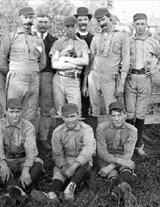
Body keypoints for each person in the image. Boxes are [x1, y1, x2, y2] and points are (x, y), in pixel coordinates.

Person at [31, 103, 95, 206]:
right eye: (67, 117)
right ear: (62, 117)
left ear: (78, 115)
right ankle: (52, 194)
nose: (70, 120)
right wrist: (63, 166)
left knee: (85, 162)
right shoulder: (57, 132)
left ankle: (70, 190)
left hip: (81, 162)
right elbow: (57, 154)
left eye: (73, 116)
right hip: (66, 160)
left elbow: (88, 150)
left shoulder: (87, 129)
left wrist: (73, 167)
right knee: (58, 171)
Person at [0, 7, 46, 126]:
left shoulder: (38, 39)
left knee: (30, 113)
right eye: (25, 17)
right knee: (12, 111)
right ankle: (10, 143)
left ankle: (26, 142)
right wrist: (14, 71)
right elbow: (0, 62)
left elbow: (43, 62)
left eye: (31, 17)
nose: (28, 20)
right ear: (19, 19)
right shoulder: (11, 37)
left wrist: (32, 70)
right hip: (16, 79)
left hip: (33, 79)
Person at [83, 8, 130, 129]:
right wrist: (86, 83)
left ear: (110, 18)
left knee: (112, 108)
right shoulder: (96, 37)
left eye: (103, 19)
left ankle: (111, 139)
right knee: (94, 108)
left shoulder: (122, 36)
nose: (101, 23)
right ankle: (95, 140)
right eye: (98, 21)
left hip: (110, 79)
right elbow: (90, 60)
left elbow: (126, 61)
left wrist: (121, 84)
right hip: (94, 77)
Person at [0, 98, 43, 205]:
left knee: (38, 163)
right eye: (11, 112)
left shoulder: (28, 127)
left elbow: (31, 151)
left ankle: (13, 193)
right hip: (8, 158)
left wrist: (25, 171)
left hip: (22, 158)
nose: (14, 115)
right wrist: (3, 165)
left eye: (18, 112)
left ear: (22, 112)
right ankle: (21, 193)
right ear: (6, 111)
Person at [125, 13, 160, 156]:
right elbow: (122, 57)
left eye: (142, 24)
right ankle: (127, 144)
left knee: (140, 113)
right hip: (130, 78)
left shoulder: (153, 42)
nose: (140, 27)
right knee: (130, 113)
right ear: (134, 25)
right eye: (137, 24)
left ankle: (138, 145)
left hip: (145, 78)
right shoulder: (128, 41)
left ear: (146, 25)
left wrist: (156, 68)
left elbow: (158, 57)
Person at [97, 101, 137, 204]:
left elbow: (128, 154)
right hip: (107, 157)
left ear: (125, 115)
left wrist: (112, 165)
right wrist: (113, 165)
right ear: (109, 116)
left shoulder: (132, 130)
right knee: (112, 173)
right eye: (113, 116)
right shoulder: (101, 128)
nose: (117, 119)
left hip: (123, 157)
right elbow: (101, 152)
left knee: (126, 167)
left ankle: (118, 191)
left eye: (120, 115)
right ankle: (120, 189)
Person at [49, 15, 89, 116]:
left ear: (76, 26)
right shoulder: (58, 43)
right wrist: (75, 64)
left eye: (72, 26)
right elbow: (55, 64)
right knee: (60, 111)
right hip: (59, 79)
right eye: (68, 26)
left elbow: (85, 61)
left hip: (73, 80)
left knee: (75, 111)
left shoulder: (82, 43)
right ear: (64, 27)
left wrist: (66, 59)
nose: (70, 29)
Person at [36, 14, 57, 150]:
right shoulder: (30, 38)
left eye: (45, 22)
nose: (43, 25)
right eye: (40, 22)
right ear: (35, 23)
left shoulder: (54, 41)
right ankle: (29, 137)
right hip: (31, 74)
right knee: (29, 107)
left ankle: (43, 138)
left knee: (46, 108)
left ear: (49, 24)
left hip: (47, 75)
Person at [74, 7, 97, 134]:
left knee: (89, 107)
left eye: (85, 20)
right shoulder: (72, 37)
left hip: (90, 77)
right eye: (80, 19)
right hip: (74, 76)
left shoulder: (94, 38)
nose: (83, 22)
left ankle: (89, 135)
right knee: (75, 106)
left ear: (89, 21)